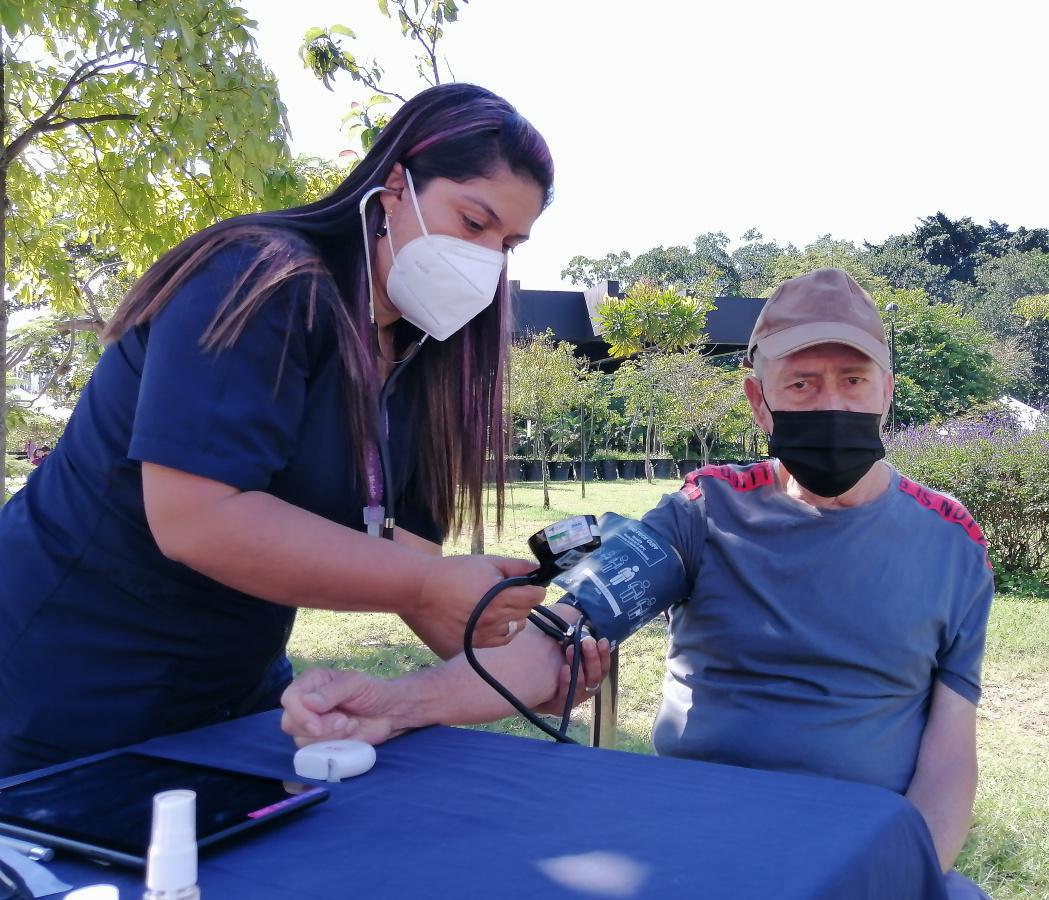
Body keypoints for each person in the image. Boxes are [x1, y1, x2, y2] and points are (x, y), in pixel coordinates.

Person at [282, 269, 995, 899]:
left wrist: (902, 869)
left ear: (887, 392)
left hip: (863, 840)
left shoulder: (952, 541)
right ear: (758, 400)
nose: (829, 402)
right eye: (802, 383)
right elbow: (551, 641)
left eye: (853, 379)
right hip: (695, 835)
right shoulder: (704, 511)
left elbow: (947, 760)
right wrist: (397, 703)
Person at [0, 83, 575, 777]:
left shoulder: (423, 359)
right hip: (56, 686)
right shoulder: (259, 277)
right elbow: (196, 520)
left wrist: (532, 640)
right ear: (394, 186)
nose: (488, 260)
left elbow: (416, 575)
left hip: (231, 696)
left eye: (510, 244)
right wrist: (430, 586)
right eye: (474, 223)